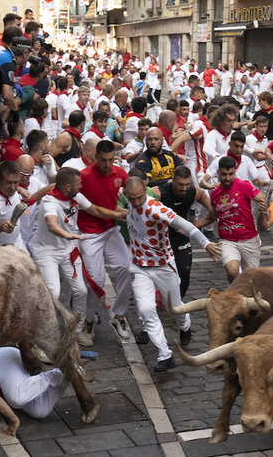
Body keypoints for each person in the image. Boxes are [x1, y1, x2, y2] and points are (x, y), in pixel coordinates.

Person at [124, 177, 221, 373]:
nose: (135, 203)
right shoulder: (127, 199)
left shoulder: (155, 208)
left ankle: (185, 326)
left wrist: (206, 243)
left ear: (145, 189)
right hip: (139, 266)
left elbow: (186, 225)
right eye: (131, 198)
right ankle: (165, 355)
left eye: (139, 197)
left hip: (163, 266)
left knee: (175, 308)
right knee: (145, 310)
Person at [32, 167, 128, 347]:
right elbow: (51, 224)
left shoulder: (75, 196)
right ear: (68, 187)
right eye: (78, 184)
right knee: (53, 293)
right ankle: (41, 340)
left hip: (68, 249)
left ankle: (76, 331)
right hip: (47, 251)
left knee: (81, 291)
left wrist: (118, 215)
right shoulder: (50, 202)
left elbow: (95, 210)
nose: (82, 185)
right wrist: (67, 235)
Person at [152, 165, 217, 345]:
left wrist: (194, 226)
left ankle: (175, 304)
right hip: (161, 239)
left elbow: (213, 214)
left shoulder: (193, 192)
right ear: (173, 181)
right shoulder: (159, 192)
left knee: (184, 273)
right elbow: (137, 201)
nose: (184, 188)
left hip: (181, 237)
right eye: (180, 184)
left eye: (187, 184)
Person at [77, 140, 133, 343]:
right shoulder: (84, 177)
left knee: (127, 268)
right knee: (96, 282)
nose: (108, 165)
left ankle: (118, 316)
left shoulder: (120, 173)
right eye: (103, 160)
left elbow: (132, 193)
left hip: (110, 230)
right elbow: (94, 208)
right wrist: (120, 214)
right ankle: (89, 319)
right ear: (95, 157)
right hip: (89, 234)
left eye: (111, 160)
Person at [210, 157, 266, 283]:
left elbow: (264, 199)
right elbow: (212, 216)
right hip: (227, 240)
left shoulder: (244, 185)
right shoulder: (214, 193)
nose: (227, 178)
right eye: (224, 174)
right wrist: (194, 226)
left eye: (231, 174)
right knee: (232, 270)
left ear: (235, 172)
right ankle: (236, 294)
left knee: (251, 280)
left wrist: (265, 206)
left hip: (250, 239)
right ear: (218, 172)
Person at [201, 130, 268, 191]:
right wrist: (211, 186)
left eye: (241, 147)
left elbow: (256, 182)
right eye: (236, 146)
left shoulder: (247, 160)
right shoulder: (219, 161)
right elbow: (202, 182)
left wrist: (272, 183)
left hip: (242, 199)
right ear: (229, 144)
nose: (239, 150)